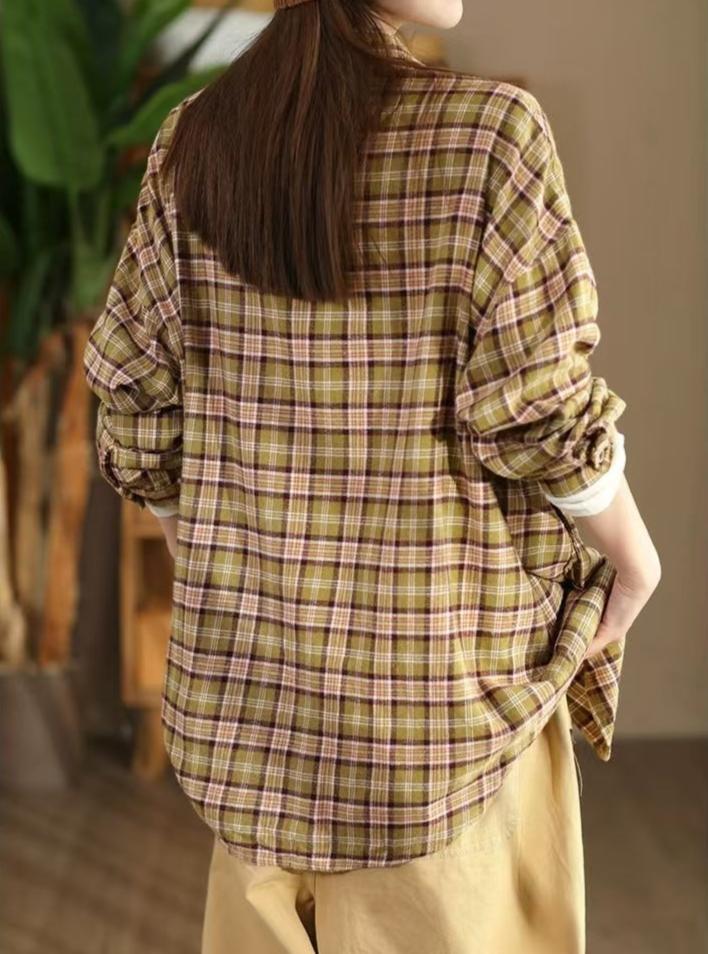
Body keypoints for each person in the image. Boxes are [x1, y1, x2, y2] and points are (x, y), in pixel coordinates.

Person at [83, 0, 661, 949]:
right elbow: (540, 409)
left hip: (256, 736)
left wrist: (231, 563)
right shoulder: (489, 132)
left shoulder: (196, 139)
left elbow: (139, 414)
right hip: (447, 735)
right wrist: (635, 563)